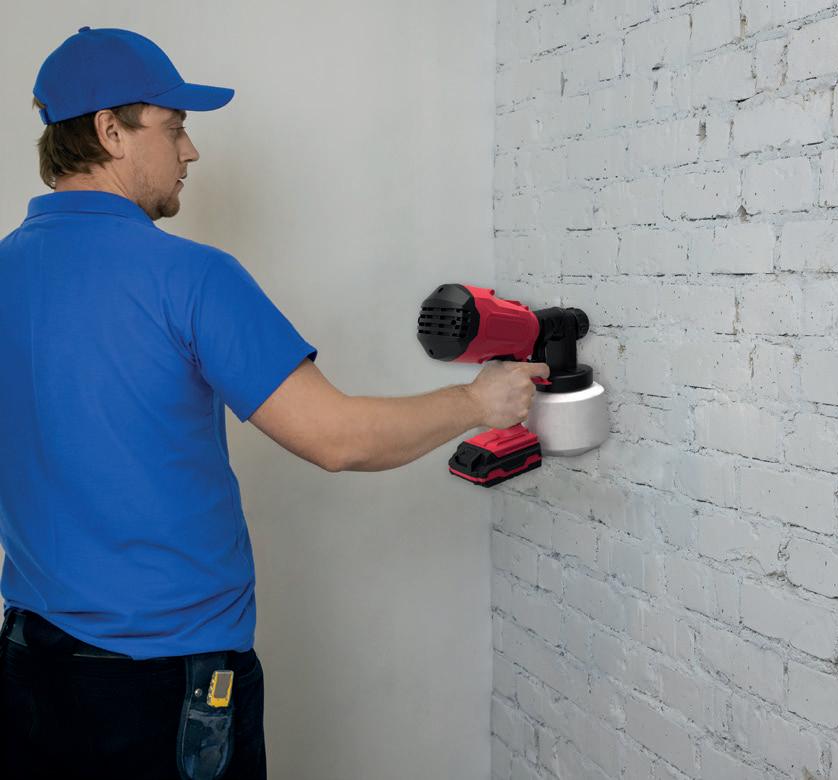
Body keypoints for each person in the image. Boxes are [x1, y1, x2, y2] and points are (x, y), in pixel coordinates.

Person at [0, 26, 548, 780]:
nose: (191, 151)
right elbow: (337, 438)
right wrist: (479, 399)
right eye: (174, 127)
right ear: (109, 132)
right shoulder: (191, 277)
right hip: (168, 682)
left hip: (28, 669)